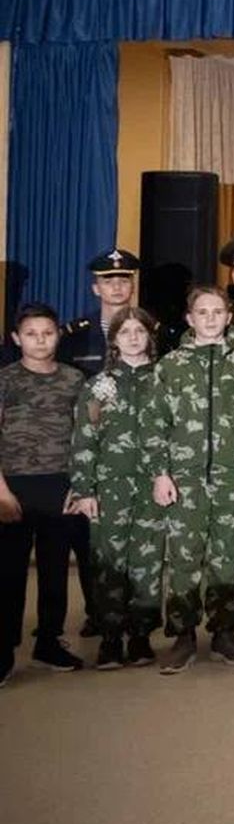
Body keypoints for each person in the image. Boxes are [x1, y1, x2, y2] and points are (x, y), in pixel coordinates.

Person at [146, 286, 234, 673]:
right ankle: (182, 635)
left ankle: (225, 631)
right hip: (185, 478)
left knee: (227, 559)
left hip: (231, 475)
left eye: (218, 312)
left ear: (229, 317)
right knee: (183, 558)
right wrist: (160, 473)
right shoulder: (171, 365)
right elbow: (156, 424)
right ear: (190, 318)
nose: (211, 318)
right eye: (203, 312)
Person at [67, 307, 162, 669]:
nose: (133, 338)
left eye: (140, 331)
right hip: (110, 488)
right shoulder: (98, 385)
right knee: (108, 561)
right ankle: (110, 637)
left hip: (153, 486)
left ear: (150, 336)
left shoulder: (165, 379)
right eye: (125, 332)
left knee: (148, 562)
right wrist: (84, 489)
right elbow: (83, 440)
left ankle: (140, 635)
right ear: (114, 340)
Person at [0, 304, 88, 683]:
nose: (40, 341)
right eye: (31, 334)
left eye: (48, 333)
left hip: (60, 486)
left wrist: (79, 487)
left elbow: (85, 437)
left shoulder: (74, 380)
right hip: (12, 487)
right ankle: (3, 650)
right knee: (8, 574)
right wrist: (0, 491)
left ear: (58, 335)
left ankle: (49, 642)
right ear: (16, 338)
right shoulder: (5, 380)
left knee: (55, 571)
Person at [60, 247, 143, 378]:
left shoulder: (149, 331)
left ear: (133, 287)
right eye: (108, 282)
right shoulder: (75, 335)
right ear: (96, 289)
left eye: (124, 281)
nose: (117, 287)